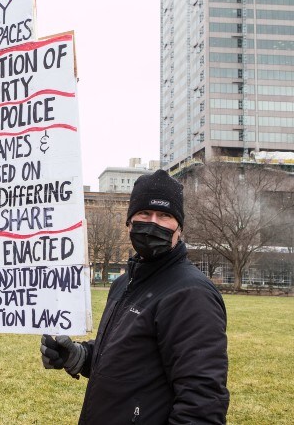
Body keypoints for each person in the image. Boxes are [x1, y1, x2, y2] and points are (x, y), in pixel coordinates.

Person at [41, 169, 230, 424]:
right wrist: (81, 355)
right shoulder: (124, 282)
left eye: (165, 215)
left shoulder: (191, 293)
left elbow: (202, 403)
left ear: (179, 228)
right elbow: (129, 354)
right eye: (144, 213)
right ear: (129, 222)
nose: (153, 223)